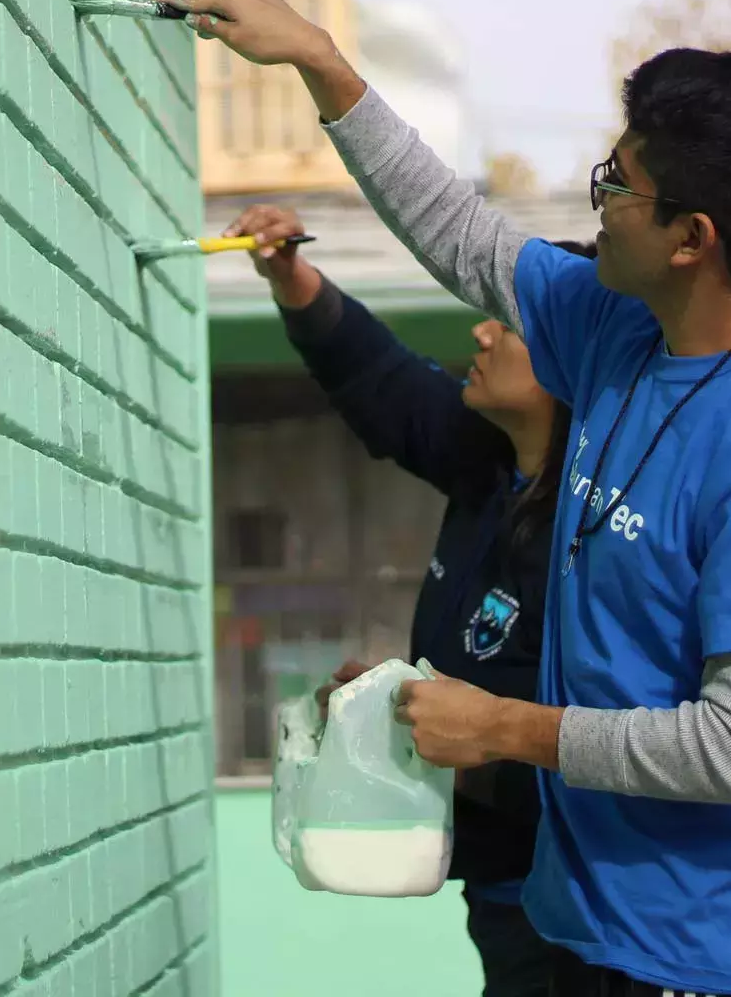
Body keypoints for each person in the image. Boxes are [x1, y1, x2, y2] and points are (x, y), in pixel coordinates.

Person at [171, 0, 731, 997]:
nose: (596, 202)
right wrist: (322, 65)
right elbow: (461, 235)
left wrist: (501, 728)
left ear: (693, 239)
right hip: (562, 920)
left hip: (681, 962)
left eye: (617, 185)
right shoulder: (622, 331)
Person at [235, 200, 589, 995]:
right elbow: (381, 381)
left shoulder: (596, 541)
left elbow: (609, 749)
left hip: (574, 911)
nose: (481, 334)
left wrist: (457, 743)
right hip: (502, 892)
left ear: (572, 360)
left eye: (508, 324)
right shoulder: (489, 463)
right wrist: (290, 274)